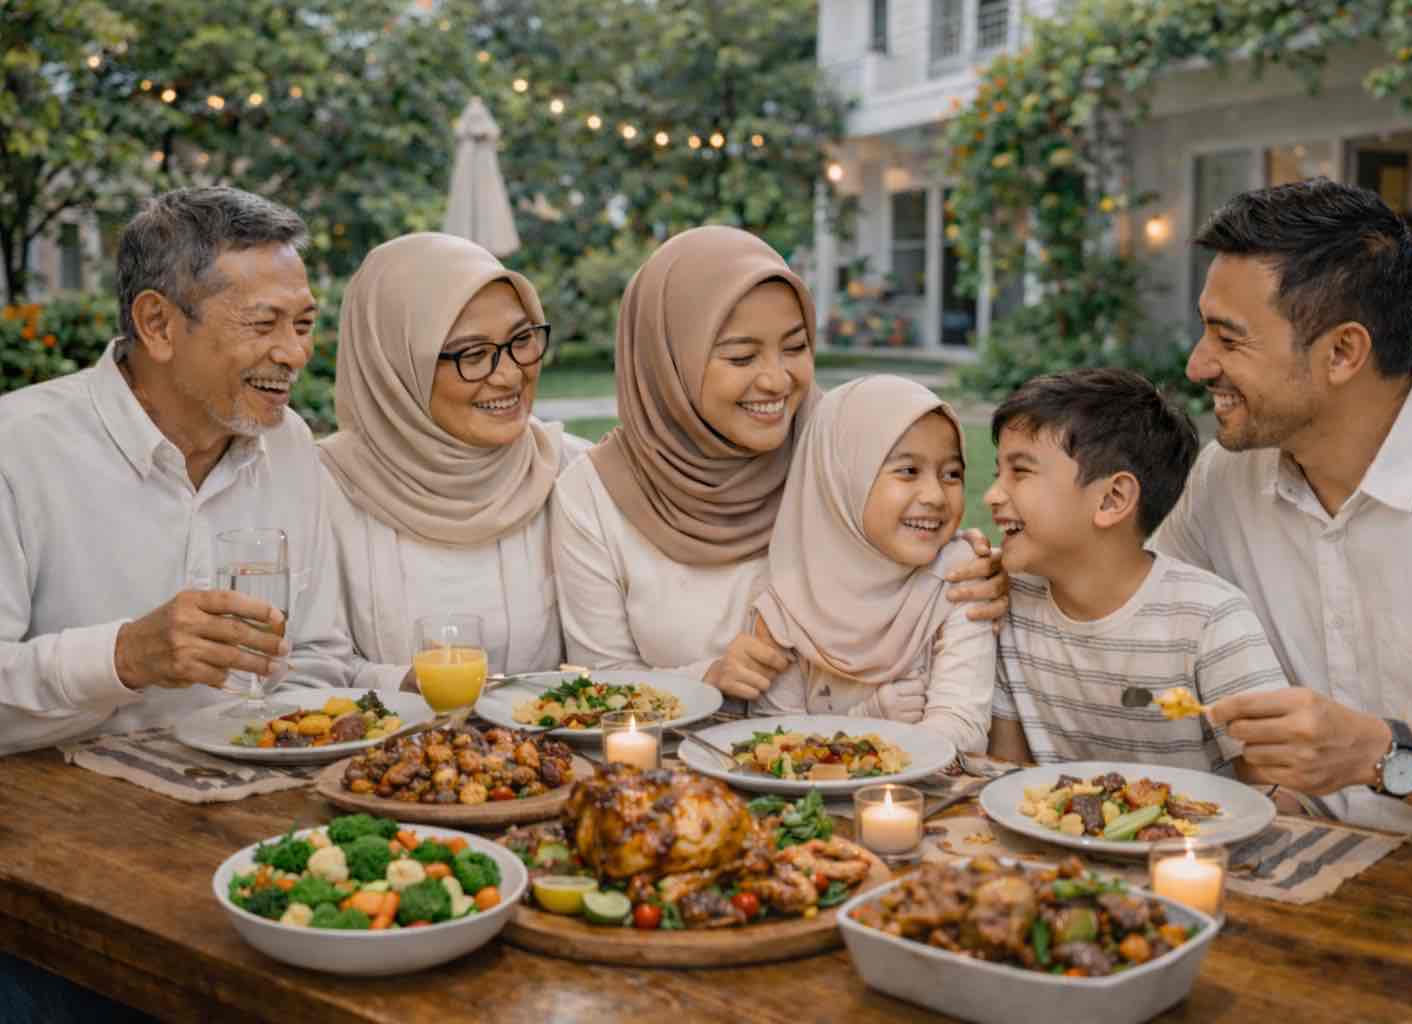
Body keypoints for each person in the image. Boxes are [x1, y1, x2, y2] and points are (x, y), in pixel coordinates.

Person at [1154, 178, 1412, 854]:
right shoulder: (1226, 477)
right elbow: (1146, 615)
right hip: (1283, 866)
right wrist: (1022, 572)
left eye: (1228, 338)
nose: (1197, 364)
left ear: (1342, 353)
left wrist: (1380, 752)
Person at [551, 226, 1005, 703]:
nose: (777, 380)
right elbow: (596, 685)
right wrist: (705, 677)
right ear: (669, 361)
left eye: (795, 347)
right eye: (742, 356)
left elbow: (923, 526)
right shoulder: (593, 495)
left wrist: (972, 569)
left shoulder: (835, 448)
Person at [0, 185, 355, 756]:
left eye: (304, 323)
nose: (295, 353)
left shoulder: (289, 444)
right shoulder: (16, 450)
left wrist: (282, 742)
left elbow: (315, 655)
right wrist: (123, 657)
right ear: (158, 324)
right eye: (264, 324)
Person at [316, 233, 588, 686]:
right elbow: (306, 666)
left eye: (522, 339)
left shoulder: (572, 471)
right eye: (472, 354)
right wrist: (402, 683)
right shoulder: (322, 489)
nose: (510, 375)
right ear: (395, 366)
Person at [985, 368, 1287, 772]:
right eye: (996, 473)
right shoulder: (1010, 603)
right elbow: (1005, 777)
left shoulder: (1209, 619)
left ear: (1112, 499)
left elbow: (1275, 792)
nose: (991, 495)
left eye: (1020, 472)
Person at [752, 375, 995, 752]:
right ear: (842, 478)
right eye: (908, 471)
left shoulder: (962, 576)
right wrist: (868, 721)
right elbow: (773, 741)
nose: (935, 495)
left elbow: (963, 723)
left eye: (951, 474)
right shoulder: (788, 600)